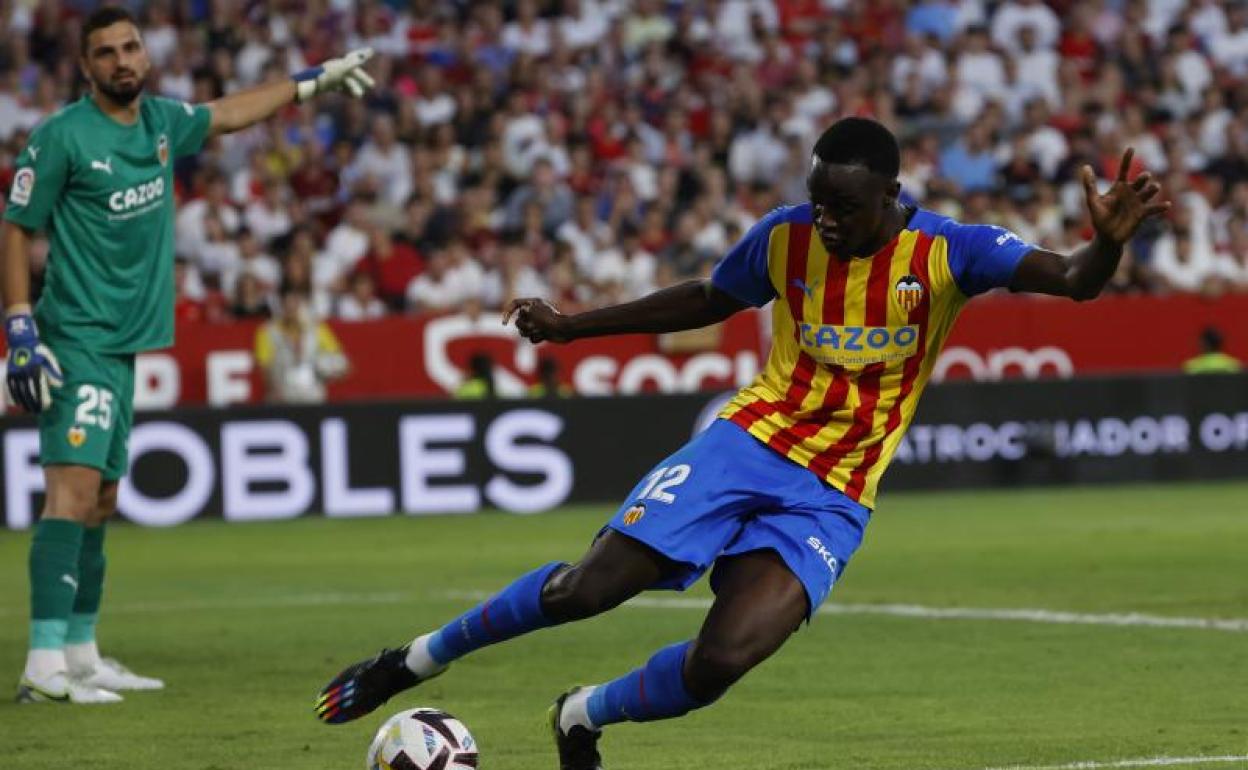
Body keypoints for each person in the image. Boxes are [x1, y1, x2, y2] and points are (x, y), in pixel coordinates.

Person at [313, 118, 1169, 769]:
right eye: (818, 199)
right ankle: (417, 661)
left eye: (845, 207)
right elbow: (707, 299)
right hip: (747, 443)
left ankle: (582, 715)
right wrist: (572, 329)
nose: (825, 219)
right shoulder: (787, 234)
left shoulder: (950, 252)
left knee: (721, 661)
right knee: (587, 591)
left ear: (892, 198)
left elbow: (1070, 283)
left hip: (834, 491)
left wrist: (1104, 245)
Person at [2, 5, 374, 704]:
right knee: (71, 492)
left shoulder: (161, 124)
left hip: (124, 345)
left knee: (103, 498)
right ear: (85, 67)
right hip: (76, 337)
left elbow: (231, 112)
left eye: (130, 47)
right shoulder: (61, 138)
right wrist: (19, 326)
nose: (121, 61)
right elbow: (16, 226)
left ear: (145, 55)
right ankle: (43, 662)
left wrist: (310, 81)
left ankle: (80, 654)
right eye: (106, 52)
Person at [254, 283, 350, 404]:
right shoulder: (267, 331)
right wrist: (273, 389)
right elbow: (264, 366)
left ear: (300, 303)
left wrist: (330, 371)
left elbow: (340, 362)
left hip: (313, 393)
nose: (291, 309)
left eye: (294, 303)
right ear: (280, 305)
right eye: (286, 304)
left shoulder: (317, 328)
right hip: (283, 393)